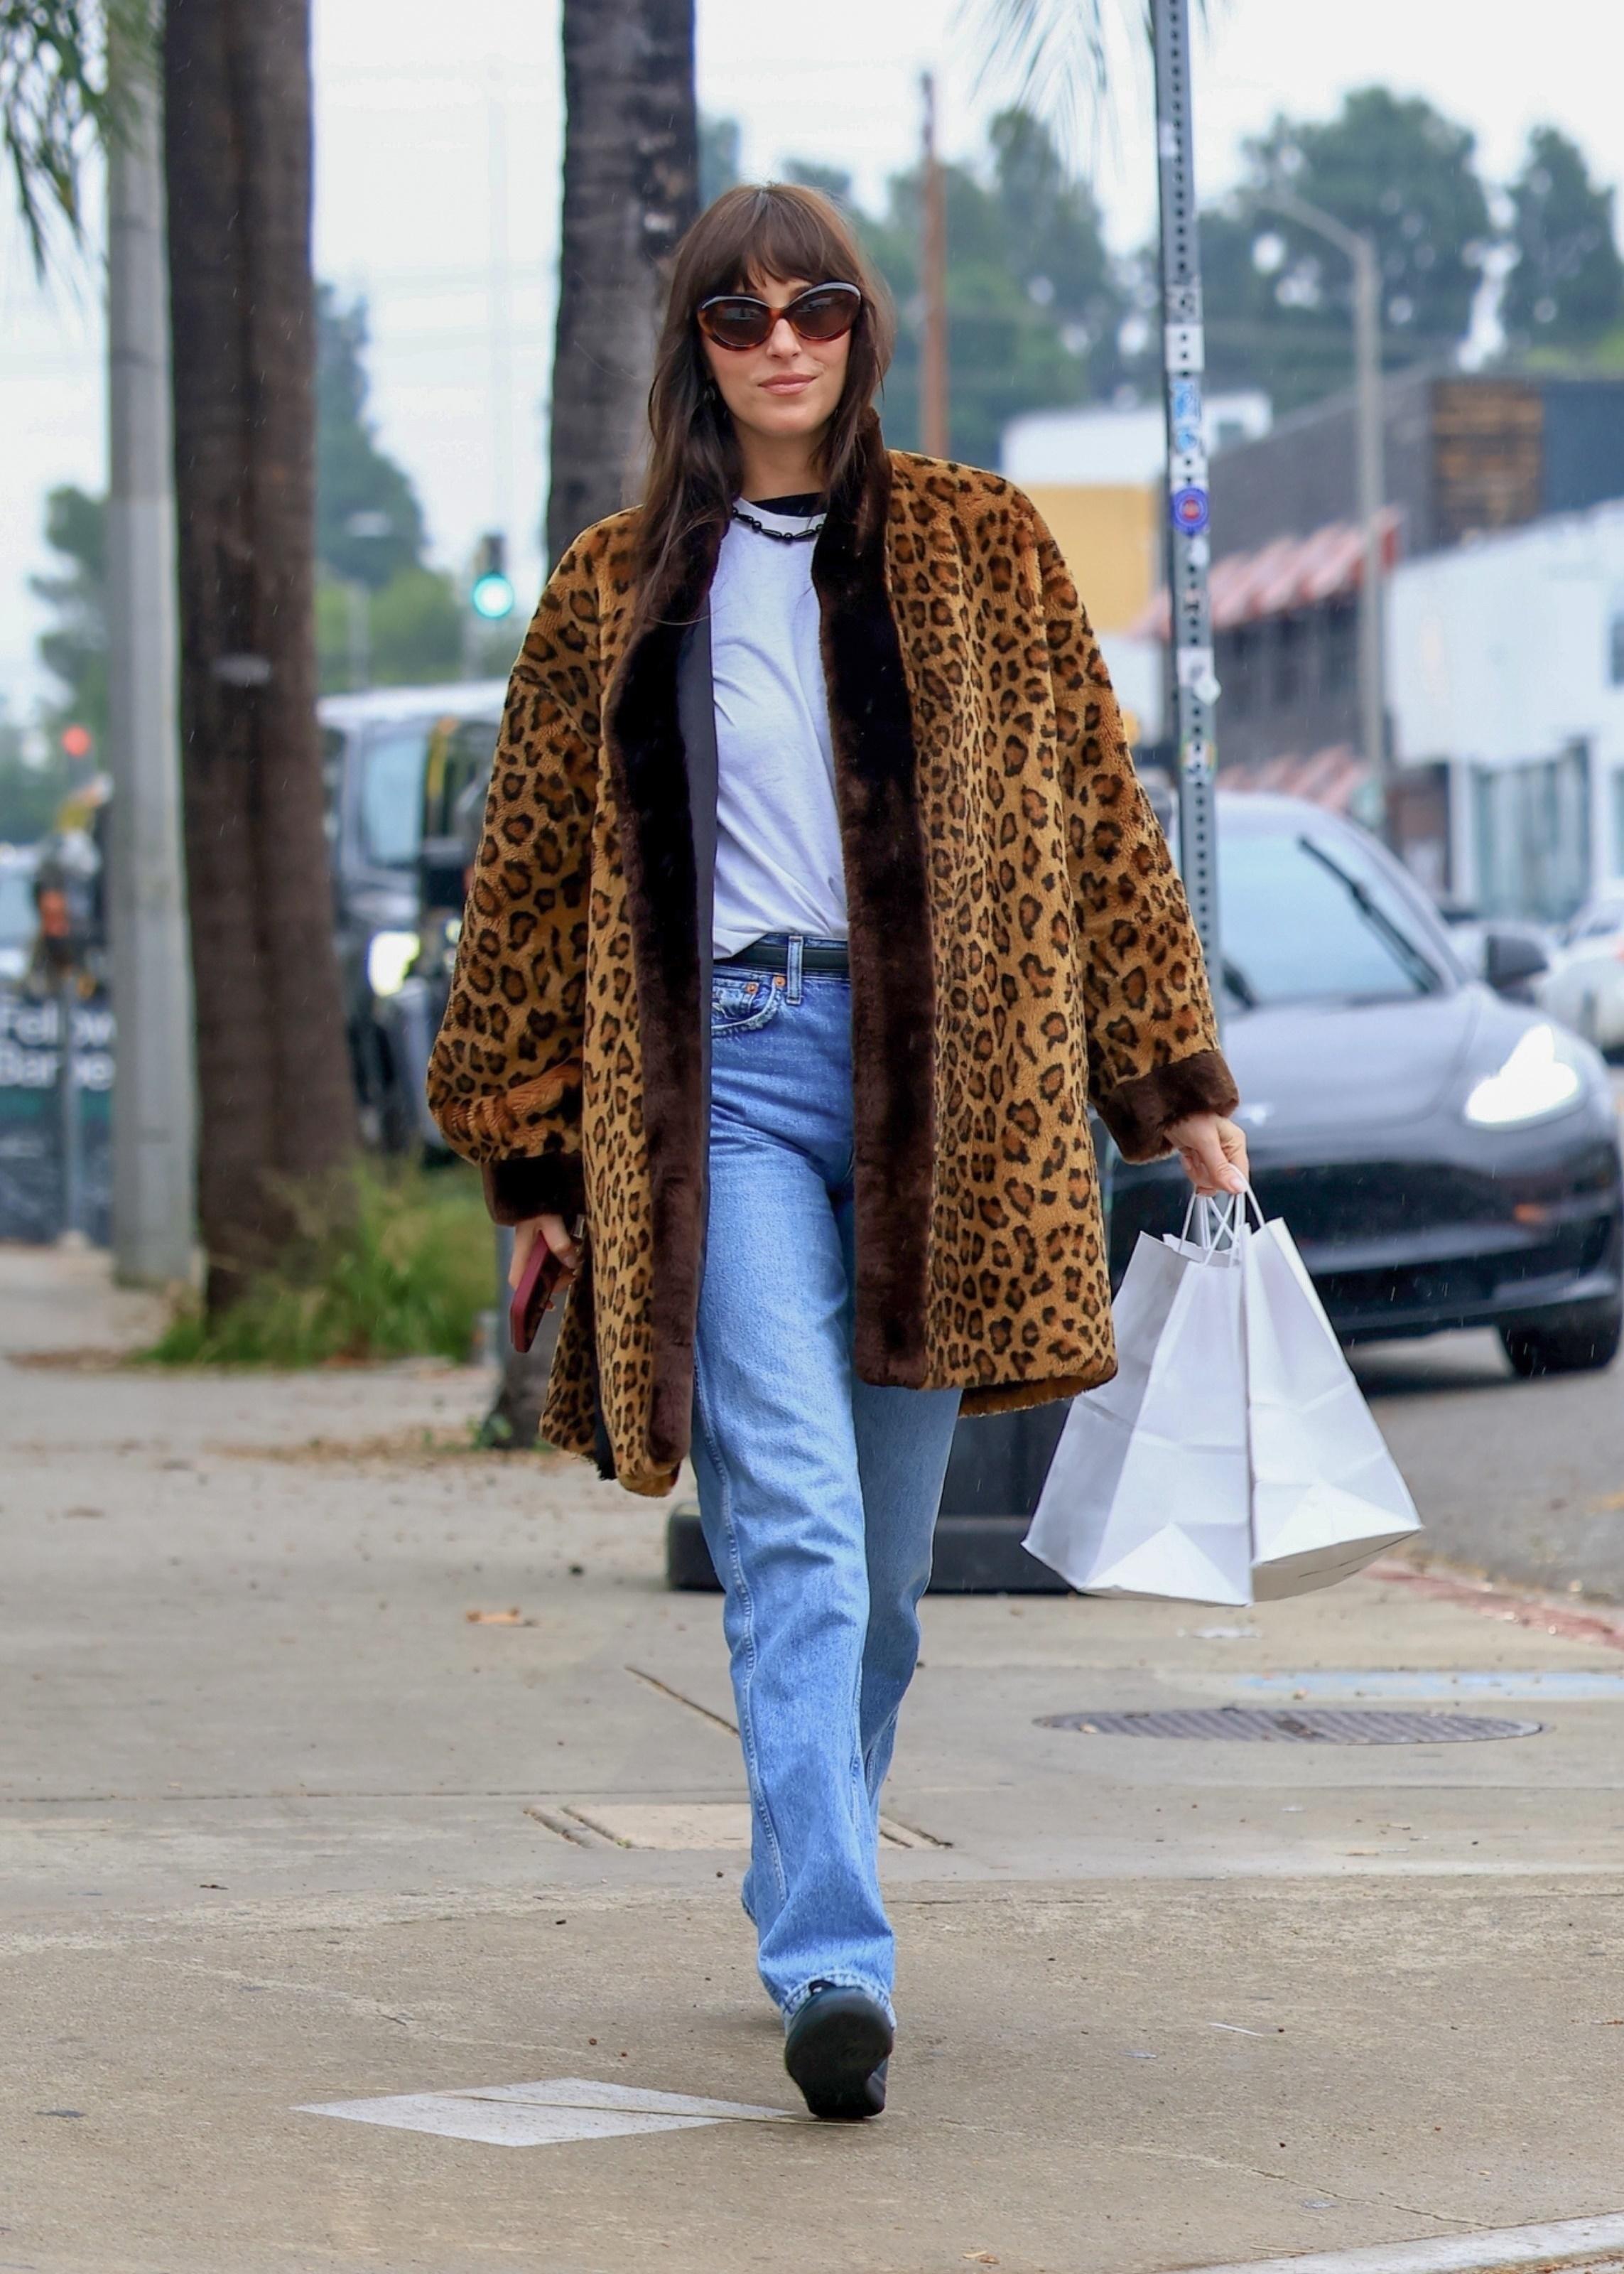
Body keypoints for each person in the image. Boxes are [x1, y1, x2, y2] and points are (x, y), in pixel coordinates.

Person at [427, 183, 1247, 2121]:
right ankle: (833, 1959)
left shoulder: (985, 543)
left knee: (878, 1578)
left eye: (816, 309)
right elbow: (526, 884)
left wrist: (1170, 1074)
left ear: (863, 331)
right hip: (713, 1084)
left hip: (943, 1104)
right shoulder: (613, 584)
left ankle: (803, 1849)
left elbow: (1099, 815)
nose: (782, 343)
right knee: (787, 1524)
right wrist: (535, 1164)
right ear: (695, 349)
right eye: (740, 316)